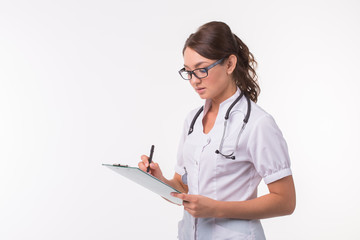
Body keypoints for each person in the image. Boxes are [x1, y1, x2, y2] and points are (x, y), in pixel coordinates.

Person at [138, 21, 296, 240]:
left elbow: (285, 201)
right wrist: (159, 180)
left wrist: (217, 209)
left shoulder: (258, 124)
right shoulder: (192, 120)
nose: (194, 81)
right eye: (188, 72)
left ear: (230, 64)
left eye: (202, 70)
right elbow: (183, 188)